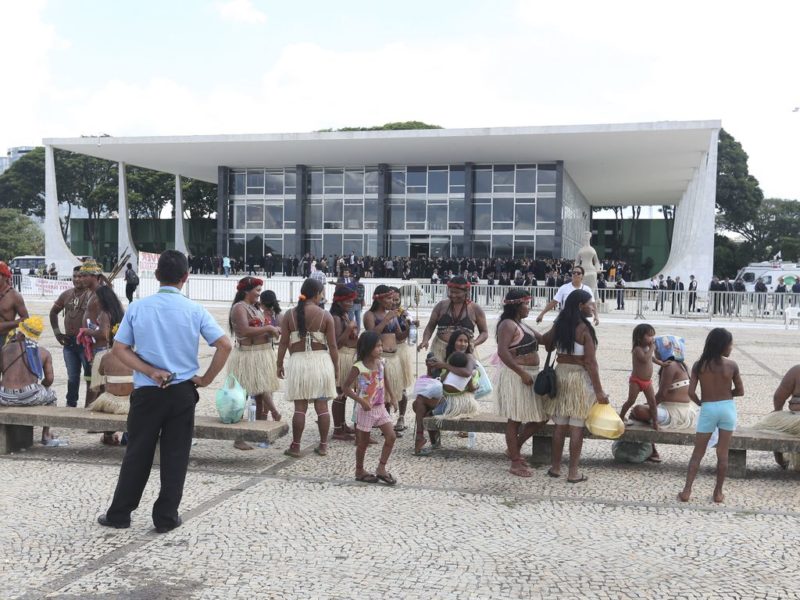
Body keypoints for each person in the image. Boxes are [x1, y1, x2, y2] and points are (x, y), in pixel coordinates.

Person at [98, 250, 231, 533]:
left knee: (138, 452)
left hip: (148, 391)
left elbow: (119, 349)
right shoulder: (195, 310)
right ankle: (166, 516)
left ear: (156, 275)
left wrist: (148, 370)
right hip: (182, 390)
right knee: (176, 454)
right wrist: (206, 378)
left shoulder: (138, 307)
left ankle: (120, 513)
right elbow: (225, 345)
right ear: (186, 277)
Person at [541, 289, 609, 483]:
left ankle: (555, 468)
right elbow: (590, 363)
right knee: (577, 425)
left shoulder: (560, 324)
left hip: (561, 376)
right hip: (578, 379)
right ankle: (573, 472)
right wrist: (599, 391)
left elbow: (547, 343)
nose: (592, 307)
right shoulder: (585, 329)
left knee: (560, 425)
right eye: (590, 304)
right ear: (580, 306)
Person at [678, 328, 743, 504]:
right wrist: (727, 393)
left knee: (698, 453)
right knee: (723, 454)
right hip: (727, 408)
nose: (731, 347)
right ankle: (718, 493)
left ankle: (686, 491)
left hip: (708, 408)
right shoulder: (732, 365)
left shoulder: (699, 365)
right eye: (730, 344)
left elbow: (690, 392)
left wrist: (700, 402)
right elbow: (741, 391)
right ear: (722, 345)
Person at [276, 278, 338, 458]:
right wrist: (337, 369)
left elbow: (283, 343)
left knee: (299, 408)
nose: (323, 297)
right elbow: (333, 346)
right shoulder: (325, 316)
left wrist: (279, 364)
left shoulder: (289, 314)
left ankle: (295, 446)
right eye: (322, 293)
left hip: (298, 362)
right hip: (321, 363)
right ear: (317, 294)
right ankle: (324, 445)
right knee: (322, 406)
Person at [493, 289, 547, 477]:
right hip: (516, 376)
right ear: (517, 305)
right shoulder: (507, 325)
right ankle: (515, 462)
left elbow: (544, 340)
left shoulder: (522, 324)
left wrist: (564, 320)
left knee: (542, 415)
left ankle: (514, 448)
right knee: (514, 419)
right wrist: (521, 372)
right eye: (525, 304)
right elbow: (503, 352)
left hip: (529, 374)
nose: (528, 308)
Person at [227, 277, 281, 450]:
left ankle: (259, 434)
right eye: (257, 291)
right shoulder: (239, 308)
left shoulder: (255, 308)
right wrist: (268, 328)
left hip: (260, 355)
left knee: (260, 397)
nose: (259, 294)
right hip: (247, 356)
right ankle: (238, 438)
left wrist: (272, 332)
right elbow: (243, 330)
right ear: (246, 291)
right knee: (240, 397)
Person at [340, 331, 397, 485]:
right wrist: (360, 401)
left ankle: (381, 468)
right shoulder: (358, 367)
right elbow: (345, 388)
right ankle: (359, 470)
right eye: (377, 346)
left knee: (391, 436)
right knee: (363, 443)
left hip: (380, 407)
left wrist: (392, 397)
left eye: (381, 345)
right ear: (367, 348)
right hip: (365, 410)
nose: (380, 349)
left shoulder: (381, 363)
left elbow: (385, 379)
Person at [0, 316, 58, 444]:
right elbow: (49, 380)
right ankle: (46, 435)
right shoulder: (43, 353)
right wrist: (40, 387)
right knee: (52, 396)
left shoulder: (5, 349)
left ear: (21, 332)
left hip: (3, 396)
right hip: (29, 396)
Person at [86, 286, 126, 445]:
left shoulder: (104, 314)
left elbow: (103, 334)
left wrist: (88, 331)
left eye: (96, 298)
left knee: (102, 388)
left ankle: (107, 433)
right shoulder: (119, 312)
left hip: (104, 350)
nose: (95, 301)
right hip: (121, 350)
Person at [417, 276, 489, 362]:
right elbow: (430, 326)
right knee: (438, 375)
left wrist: (473, 343)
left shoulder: (475, 309)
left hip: (464, 352)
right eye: (451, 292)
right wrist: (425, 340)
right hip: (440, 350)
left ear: (466, 292)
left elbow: (484, 333)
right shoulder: (441, 306)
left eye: (457, 292)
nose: (453, 295)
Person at [50, 266, 92, 408]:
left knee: (90, 377)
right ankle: (71, 404)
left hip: (86, 344)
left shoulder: (92, 295)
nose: (77, 279)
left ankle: (90, 406)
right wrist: (57, 334)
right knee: (72, 378)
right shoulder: (66, 294)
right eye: (74, 276)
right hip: (69, 343)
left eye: (80, 276)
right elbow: (53, 312)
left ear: (86, 277)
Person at [754, 364, 800, 469]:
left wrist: (777, 411)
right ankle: (784, 459)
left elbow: (779, 397)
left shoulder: (797, 370)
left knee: (769, 423)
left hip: (796, 420)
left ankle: (782, 459)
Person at [618, 324, 660, 431]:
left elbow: (652, 358)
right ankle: (621, 417)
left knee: (652, 402)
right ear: (639, 337)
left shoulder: (647, 348)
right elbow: (645, 359)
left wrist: (662, 363)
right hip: (636, 381)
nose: (652, 339)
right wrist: (652, 348)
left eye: (653, 336)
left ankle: (655, 422)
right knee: (631, 400)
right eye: (649, 336)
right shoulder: (637, 349)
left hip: (647, 382)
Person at [330, 284, 359, 441]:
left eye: (351, 301)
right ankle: (337, 429)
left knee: (344, 394)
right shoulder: (335, 318)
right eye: (347, 301)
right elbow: (337, 343)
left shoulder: (345, 316)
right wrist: (349, 329)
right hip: (341, 356)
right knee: (339, 393)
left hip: (349, 356)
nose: (350, 304)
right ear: (339, 302)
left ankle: (342, 425)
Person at [0, 261, 29, 347]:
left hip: (6, 338)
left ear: (5, 276)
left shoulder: (14, 296)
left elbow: (25, 319)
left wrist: (5, 325)